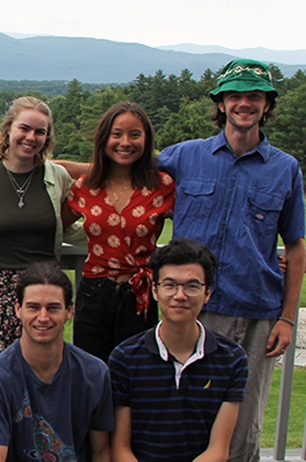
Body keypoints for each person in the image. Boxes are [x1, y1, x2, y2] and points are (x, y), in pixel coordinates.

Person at [158, 59, 305, 461]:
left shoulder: (285, 169)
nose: (244, 103)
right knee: (184, 412)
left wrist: (287, 318)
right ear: (221, 103)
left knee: (243, 422)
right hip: (192, 310)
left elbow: (295, 246)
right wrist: (58, 169)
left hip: (257, 312)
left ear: (266, 105)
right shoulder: (185, 156)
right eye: (235, 96)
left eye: (254, 96)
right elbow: (125, 174)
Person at [0, 96, 84, 363]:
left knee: (45, 368)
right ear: (8, 129)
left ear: (47, 137)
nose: (31, 137)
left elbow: (67, 228)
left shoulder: (57, 177)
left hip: (45, 290)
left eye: (40, 132)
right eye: (24, 128)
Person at [110, 238, 248, 462]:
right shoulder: (125, 358)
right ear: (155, 291)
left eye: (192, 286)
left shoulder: (231, 359)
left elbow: (218, 449)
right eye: (170, 285)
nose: (180, 295)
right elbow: (120, 449)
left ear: (207, 294)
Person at [62, 102, 175, 362]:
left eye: (134, 134)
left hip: (140, 295)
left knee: (136, 379)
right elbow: (57, 226)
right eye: (117, 134)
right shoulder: (85, 187)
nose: (125, 142)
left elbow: (195, 227)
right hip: (94, 294)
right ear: (104, 139)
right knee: (91, 375)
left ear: (146, 139)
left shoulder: (162, 185)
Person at [0, 261, 113, 462]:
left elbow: (102, 453)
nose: (43, 317)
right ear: (18, 309)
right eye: (33, 307)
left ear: (69, 310)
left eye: (53, 308)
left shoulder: (95, 374)